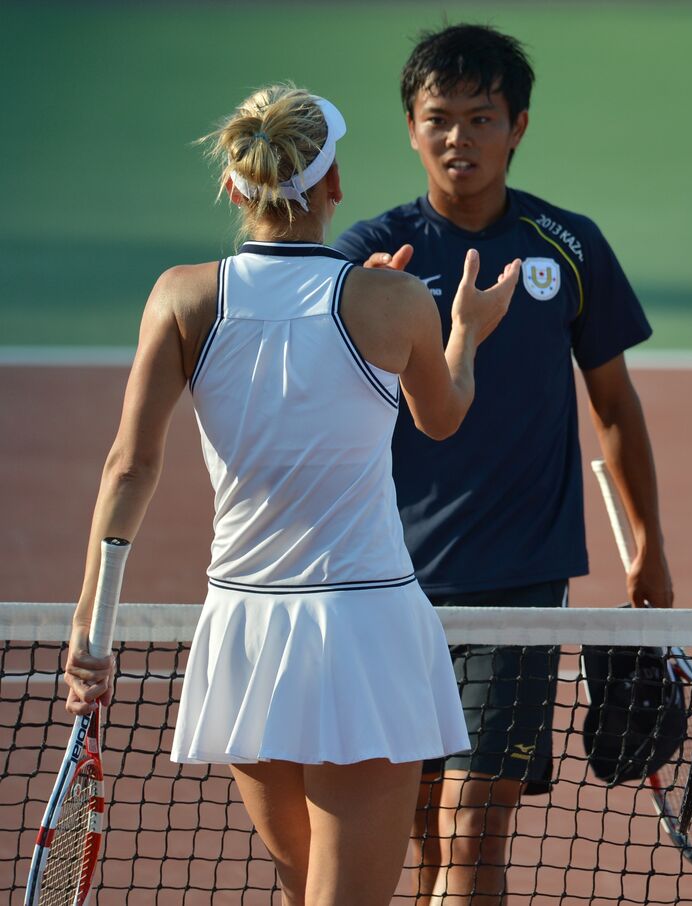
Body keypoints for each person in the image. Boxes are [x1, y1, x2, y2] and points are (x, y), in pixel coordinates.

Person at [60, 85, 519, 905]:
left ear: (238, 187)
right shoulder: (393, 302)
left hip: (246, 630)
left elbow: (127, 469)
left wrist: (89, 623)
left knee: (301, 887)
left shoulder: (181, 296)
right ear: (334, 183)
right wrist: (462, 333)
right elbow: (443, 416)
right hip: (363, 632)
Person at [331, 24, 671, 905]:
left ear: (518, 125)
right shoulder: (366, 258)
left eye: (481, 118)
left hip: (518, 588)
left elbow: (616, 407)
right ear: (410, 127)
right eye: (439, 118)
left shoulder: (570, 247)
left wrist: (648, 546)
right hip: (386, 583)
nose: (459, 139)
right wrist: (356, 306)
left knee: (475, 839)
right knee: (423, 843)